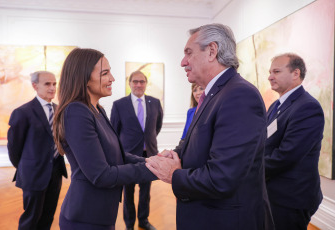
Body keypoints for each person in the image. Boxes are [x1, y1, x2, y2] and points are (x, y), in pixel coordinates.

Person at [146, 23, 271, 230]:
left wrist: (174, 174)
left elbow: (222, 177)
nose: (182, 62)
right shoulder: (214, 94)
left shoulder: (239, 95)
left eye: (189, 53)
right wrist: (177, 155)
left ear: (212, 51)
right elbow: (203, 144)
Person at [53, 48, 156, 230]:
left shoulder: (96, 109)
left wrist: (152, 161)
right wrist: (156, 170)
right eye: (105, 73)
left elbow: (116, 154)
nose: (112, 79)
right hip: (85, 218)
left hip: (100, 214)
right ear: (84, 77)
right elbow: (101, 175)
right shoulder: (76, 112)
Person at [265, 53, 324, 230]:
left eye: (276, 71)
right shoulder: (276, 106)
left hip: (291, 198)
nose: (270, 76)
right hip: (273, 193)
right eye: (270, 72)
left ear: (295, 73)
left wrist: (248, 167)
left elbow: (286, 155)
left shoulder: (307, 107)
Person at [7, 71, 67, 230]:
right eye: (47, 84)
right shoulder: (23, 112)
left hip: (56, 171)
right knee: (31, 217)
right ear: (35, 86)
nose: (52, 87)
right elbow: (14, 148)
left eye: (54, 84)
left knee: (48, 215)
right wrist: (26, 168)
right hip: (33, 174)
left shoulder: (59, 110)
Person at [110, 70, 163, 230]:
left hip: (149, 155)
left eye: (142, 81)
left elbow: (156, 127)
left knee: (146, 192)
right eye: (135, 81)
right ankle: (129, 224)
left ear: (146, 84)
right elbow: (114, 130)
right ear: (130, 84)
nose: (139, 85)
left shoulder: (154, 102)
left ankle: (143, 221)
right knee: (128, 193)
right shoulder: (119, 105)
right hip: (128, 156)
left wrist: (148, 142)